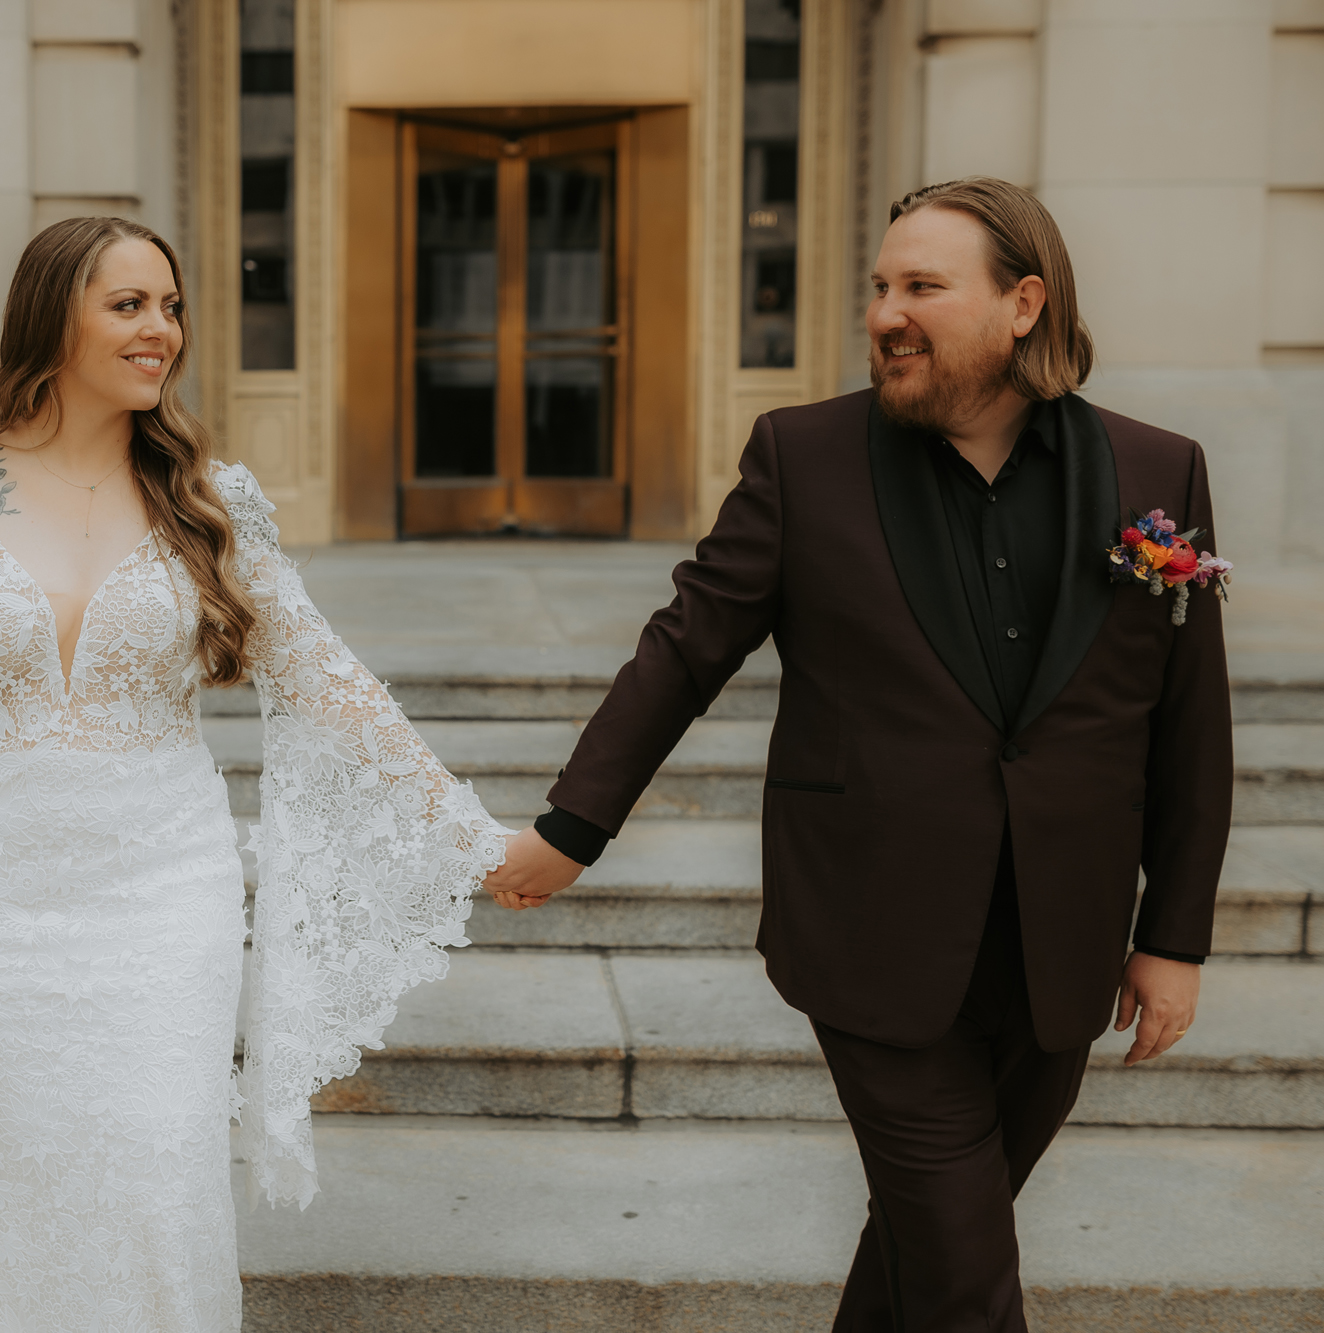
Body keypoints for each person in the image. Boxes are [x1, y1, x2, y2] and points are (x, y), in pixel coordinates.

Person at [0, 216, 509, 1332]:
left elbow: (329, 678)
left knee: (155, 1179)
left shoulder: (207, 500)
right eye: (129, 305)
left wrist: (472, 835)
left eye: (170, 306)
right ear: (54, 317)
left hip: (159, 896)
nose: (161, 331)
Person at [484, 177, 1233, 1331]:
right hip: (871, 932)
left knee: (923, 1253)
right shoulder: (803, 457)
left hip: (1061, 948)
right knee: (968, 1275)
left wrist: (1170, 934)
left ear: (1021, 302)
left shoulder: (1156, 472)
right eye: (879, 288)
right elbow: (684, 650)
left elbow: (1187, 721)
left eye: (920, 288)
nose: (885, 312)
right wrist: (570, 828)